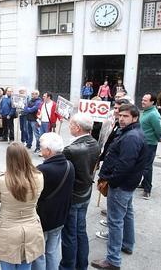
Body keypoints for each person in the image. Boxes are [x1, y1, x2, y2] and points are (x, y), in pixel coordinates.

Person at [91, 104, 147, 270]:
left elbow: (125, 164)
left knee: (115, 221)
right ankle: (127, 244)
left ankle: (113, 260)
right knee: (127, 214)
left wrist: (112, 181)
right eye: (120, 115)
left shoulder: (131, 137)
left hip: (121, 184)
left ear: (135, 118)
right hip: (128, 183)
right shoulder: (130, 132)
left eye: (126, 116)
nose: (121, 119)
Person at [0, 143, 45, 269]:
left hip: (7, 229)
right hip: (31, 227)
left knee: (7, 264)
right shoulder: (39, 176)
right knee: (26, 266)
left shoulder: (3, 180)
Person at [60, 113, 100, 270]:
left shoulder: (71, 150)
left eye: (70, 124)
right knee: (80, 231)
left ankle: (68, 266)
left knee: (70, 234)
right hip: (85, 193)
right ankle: (81, 264)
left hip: (73, 196)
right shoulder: (94, 143)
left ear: (77, 127)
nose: (69, 127)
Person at [32, 132, 75, 270]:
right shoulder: (69, 165)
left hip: (44, 219)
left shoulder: (42, 170)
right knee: (52, 251)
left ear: (48, 151)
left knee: (39, 253)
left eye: (41, 147)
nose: (40, 149)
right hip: (60, 217)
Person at [95, 98, 130, 241]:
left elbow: (124, 161)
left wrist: (111, 178)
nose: (116, 112)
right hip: (113, 171)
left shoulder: (127, 133)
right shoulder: (116, 124)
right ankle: (126, 239)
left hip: (117, 178)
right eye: (115, 109)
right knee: (123, 211)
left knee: (118, 212)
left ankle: (114, 254)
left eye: (120, 111)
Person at [140, 94, 161, 200]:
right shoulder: (146, 111)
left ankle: (147, 189)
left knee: (147, 166)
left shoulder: (154, 114)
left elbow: (158, 129)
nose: (143, 102)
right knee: (142, 165)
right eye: (142, 99)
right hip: (142, 142)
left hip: (149, 144)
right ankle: (143, 183)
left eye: (145, 100)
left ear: (152, 102)